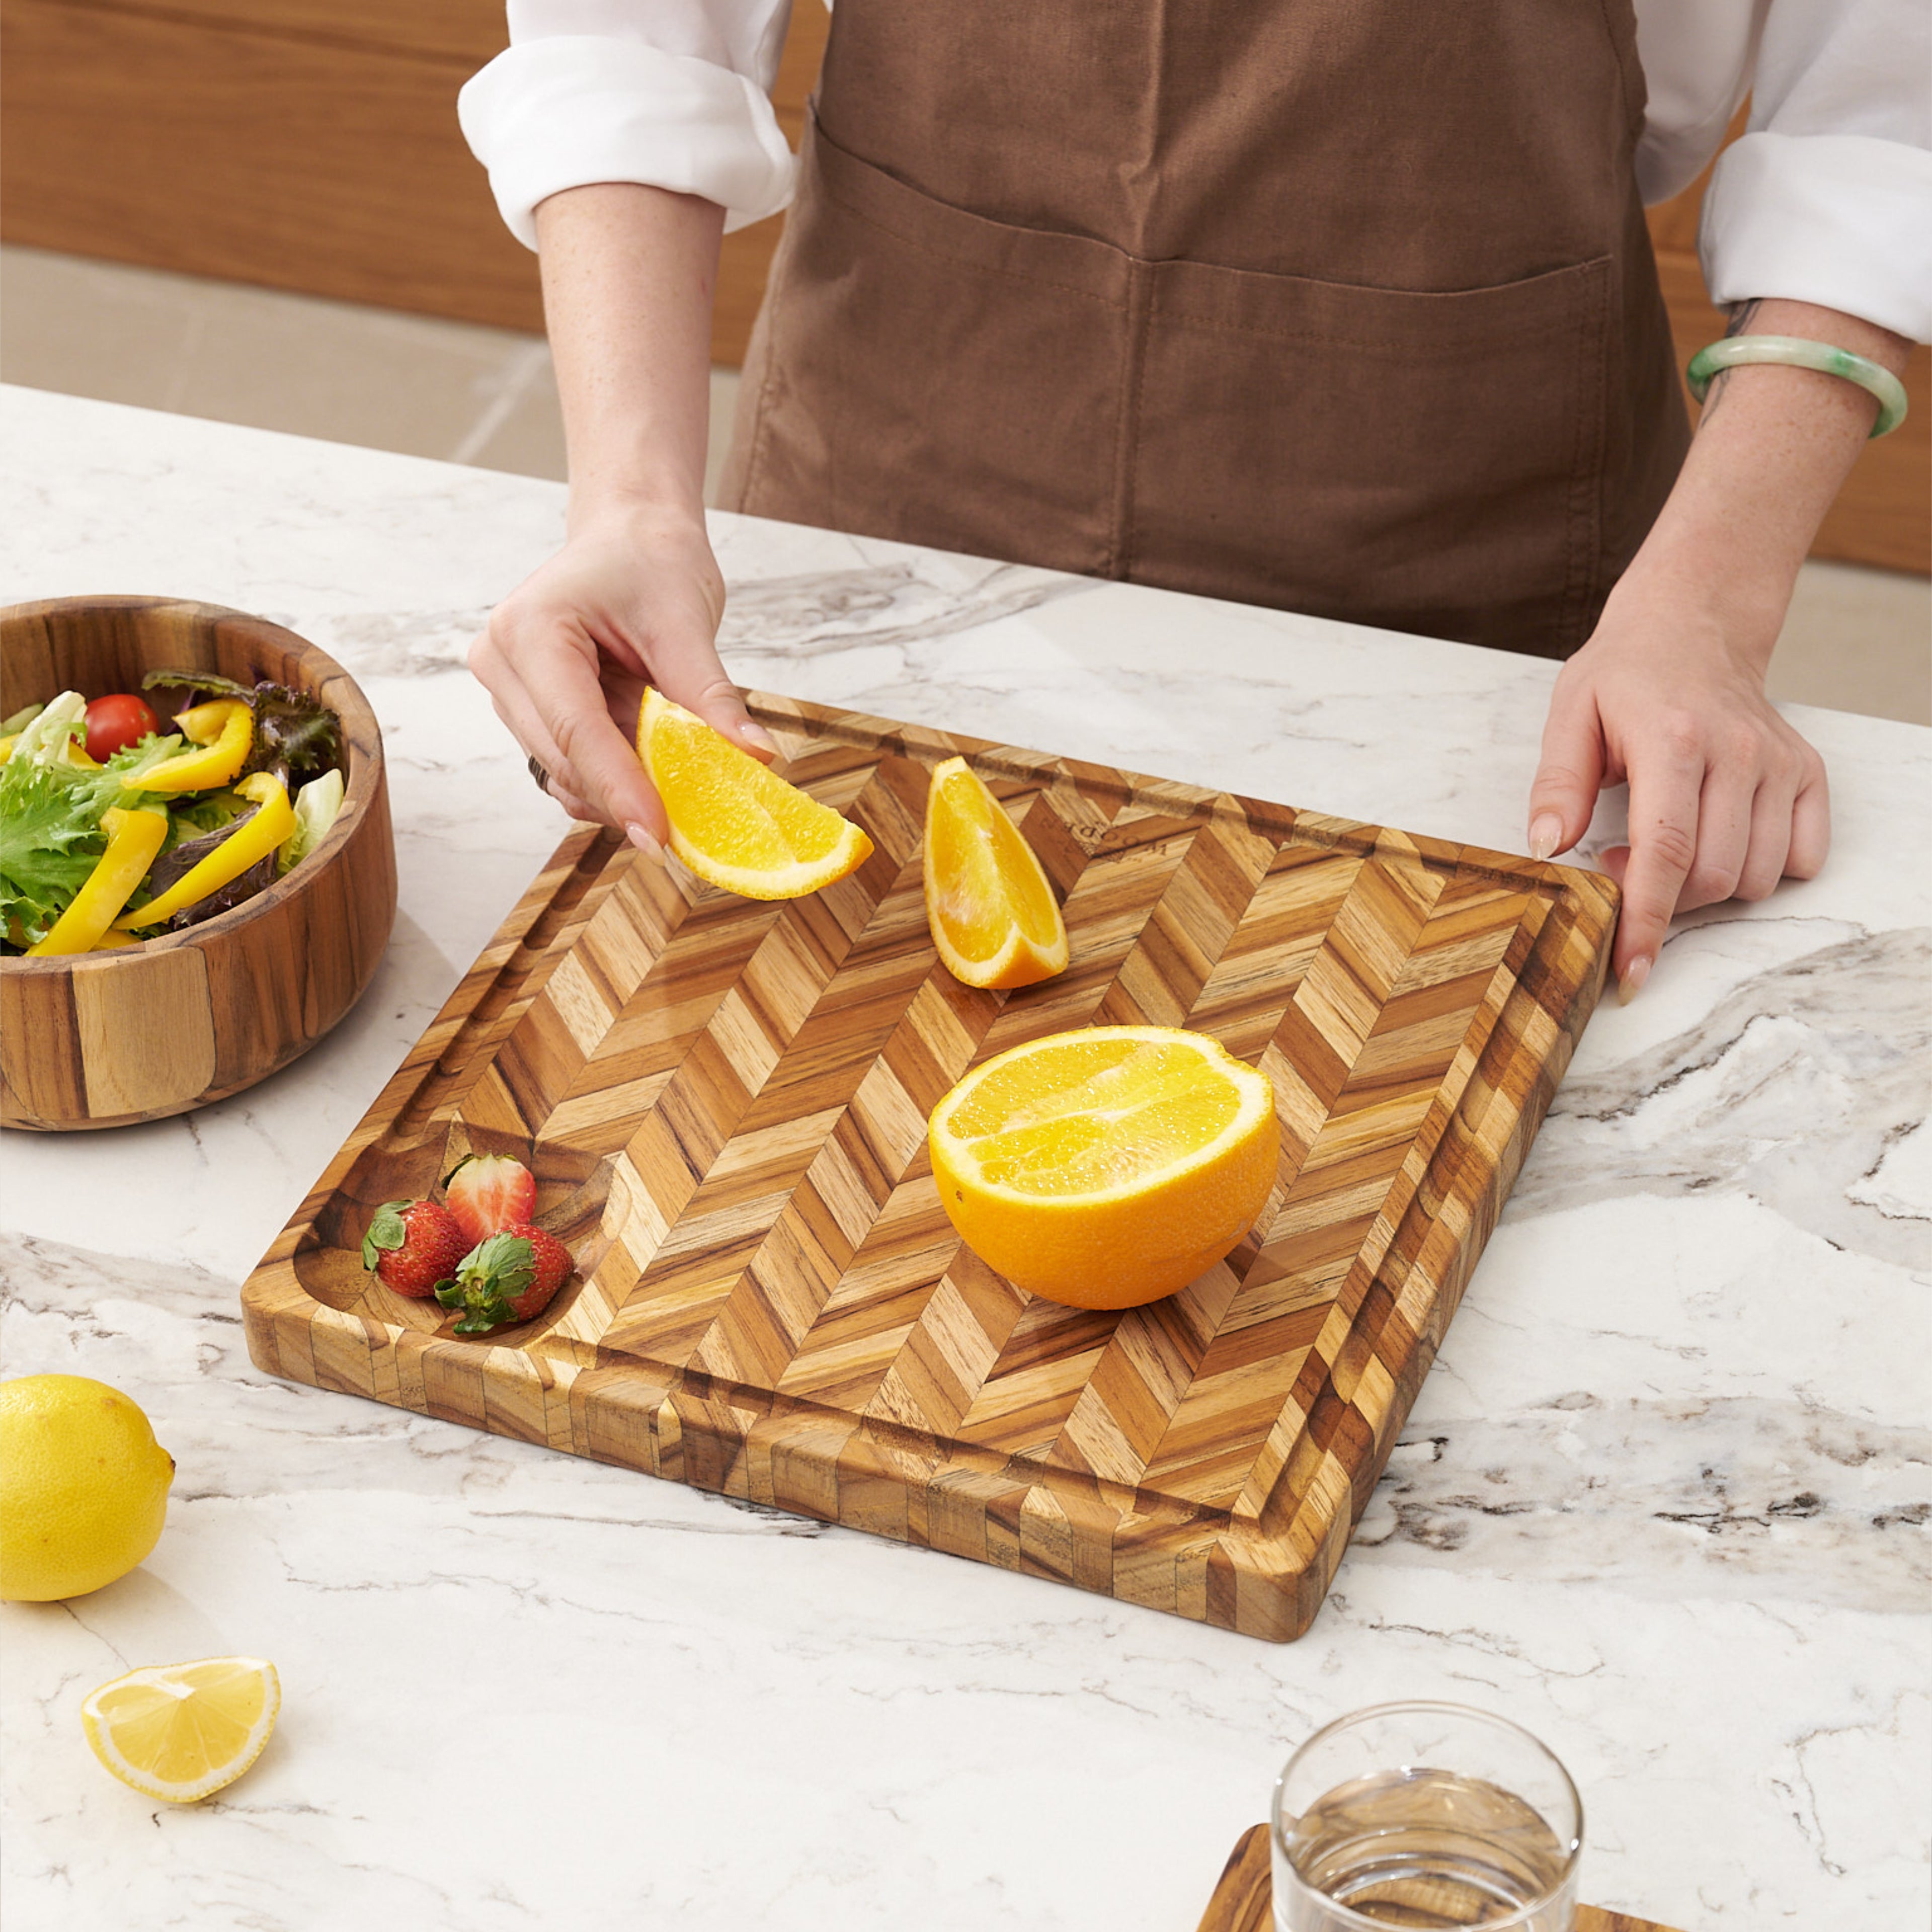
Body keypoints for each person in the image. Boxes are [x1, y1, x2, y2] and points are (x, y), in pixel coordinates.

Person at [457, 2, 1928, 1001]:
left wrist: (1714, 612)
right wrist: (631, 505)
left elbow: (1886, 110)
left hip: (1476, 548)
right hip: (889, 481)